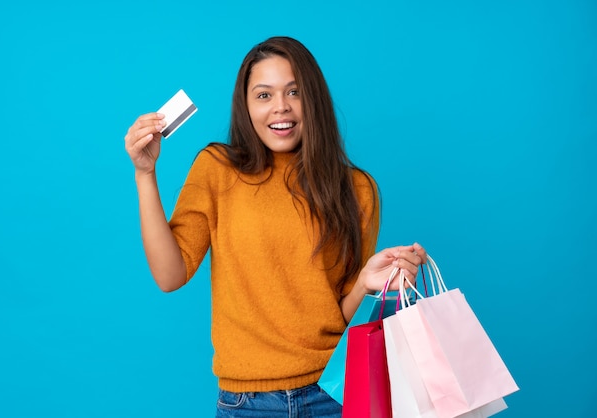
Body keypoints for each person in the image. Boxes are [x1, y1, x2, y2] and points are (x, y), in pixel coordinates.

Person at [124, 36, 426, 417]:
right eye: (263, 95)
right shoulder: (217, 169)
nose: (280, 107)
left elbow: (342, 313)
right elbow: (170, 275)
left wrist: (367, 282)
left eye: (294, 91)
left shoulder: (357, 189)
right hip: (247, 405)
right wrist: (145, 173)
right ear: (246, 106)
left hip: (334, 394)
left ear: (313, 98)